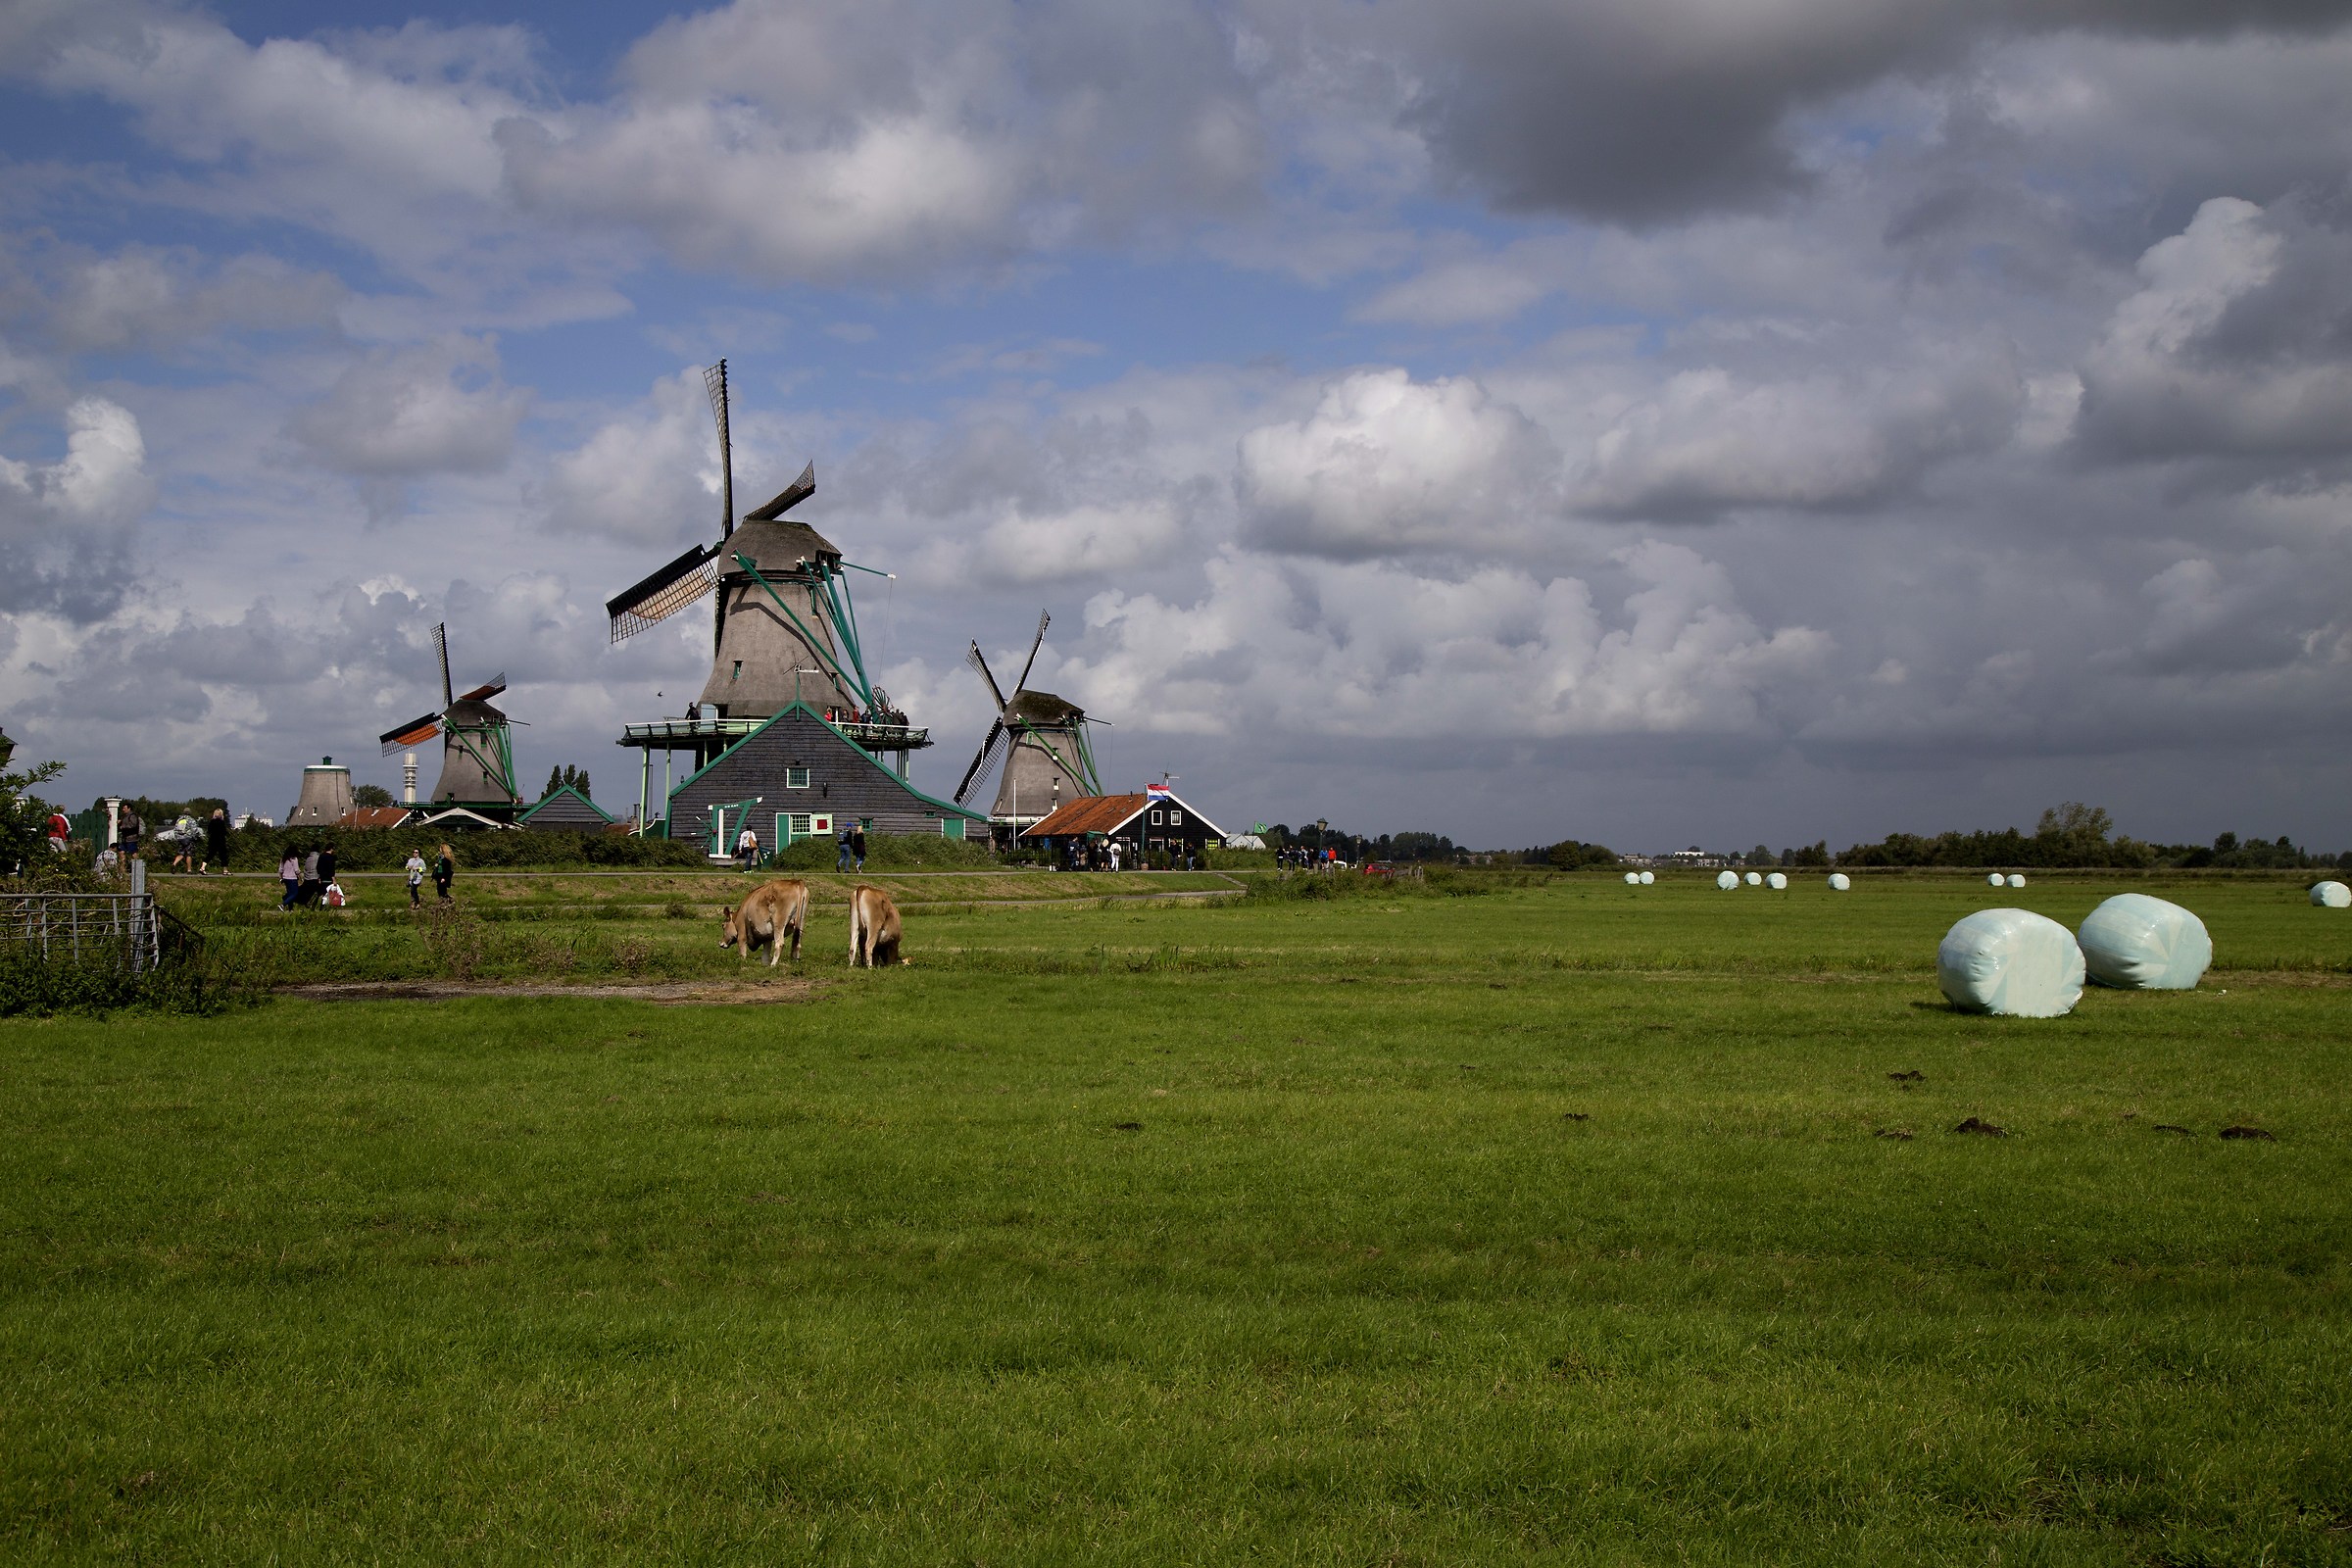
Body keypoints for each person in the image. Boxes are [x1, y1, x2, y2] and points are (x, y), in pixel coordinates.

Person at [205, 808, 228, 874]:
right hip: (220, 840)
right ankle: (225, 870)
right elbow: (224, 832)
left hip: (212, 840)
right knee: (223, 855)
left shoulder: (212, 822)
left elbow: (209, 831)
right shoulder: (222, 822)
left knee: (210, 854)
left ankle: (202, 867)